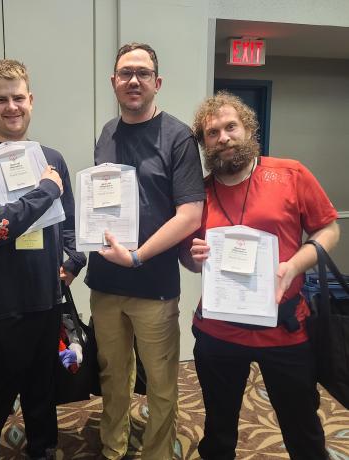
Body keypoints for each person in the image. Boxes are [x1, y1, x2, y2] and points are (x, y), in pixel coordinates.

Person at [179, 91, 340, 460]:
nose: (223, 138)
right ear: (204, 143)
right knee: (219, 431)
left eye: (230, 127)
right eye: (212, 133)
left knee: (303, 430)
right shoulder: (198, 193)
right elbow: (190, 261)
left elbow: (329, 229)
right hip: (218, 332)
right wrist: (194, 257)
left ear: (248, 129)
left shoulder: (290, 173)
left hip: (284, 330)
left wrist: (295, 265)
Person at [0, 59, 86, 460]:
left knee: (42, 391)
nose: (12, 107)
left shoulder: (51, 158)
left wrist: (74, 261)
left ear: (31, 101)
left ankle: (42, 450)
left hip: (46, 300)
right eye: (1, 99)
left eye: (19, 98)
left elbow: (72, 225)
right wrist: (45, 189)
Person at [84, 43, 205, 460]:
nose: (133, 80)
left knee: (161, 382)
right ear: (113, 82)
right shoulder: (106, 132)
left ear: (157, 82)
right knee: (112, 375)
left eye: (142, 72)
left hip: (153, 285)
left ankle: (156, 452)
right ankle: (113, 446)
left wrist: (137, 256)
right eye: (124, 73)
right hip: (104, 282)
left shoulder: (179, 138)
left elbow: (190, 215)